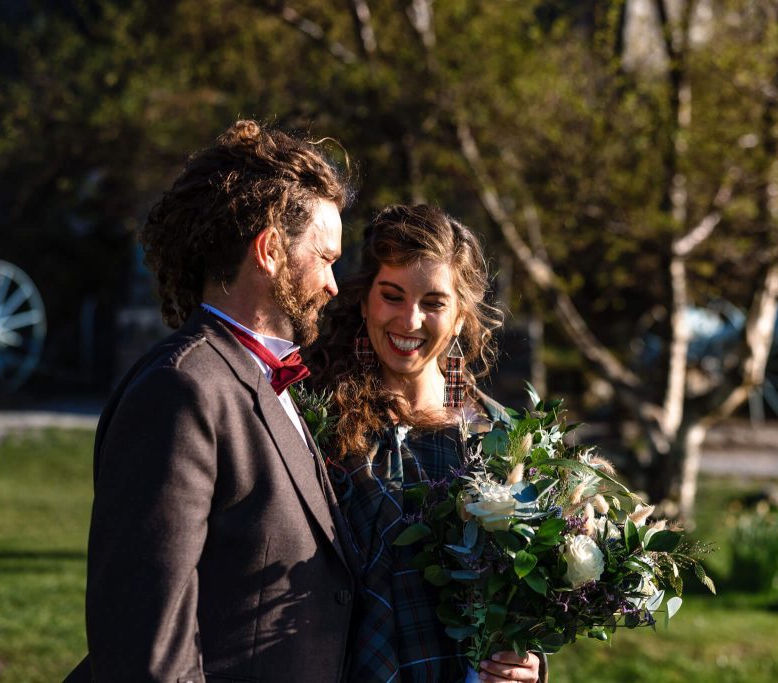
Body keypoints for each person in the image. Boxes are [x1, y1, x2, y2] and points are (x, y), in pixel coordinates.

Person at [65, 120, 357, 682]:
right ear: (270, 250)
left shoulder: (259, 376)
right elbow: (145, 650)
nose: (334, 285)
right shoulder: (181, 390)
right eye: (326, 258)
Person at [307, 205, 544, 683]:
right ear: (364, 301)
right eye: (391, 296)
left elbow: (523, 596)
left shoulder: (501, 442)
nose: (409, 320)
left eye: (434, 303)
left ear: (460, 316)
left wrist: (527, 667)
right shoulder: (318, 422)